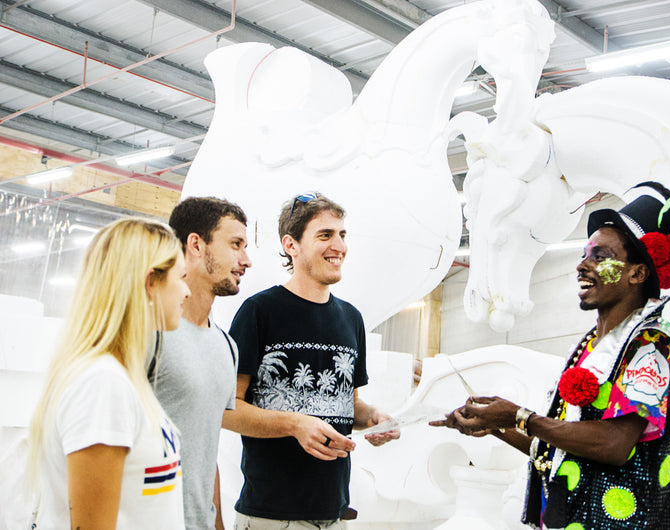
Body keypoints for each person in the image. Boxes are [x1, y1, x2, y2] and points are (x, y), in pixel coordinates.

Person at [432, 160, 670, 529]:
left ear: (638, 273)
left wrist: (519, 416)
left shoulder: (652, 347)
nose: (582, 266)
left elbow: (615, 444)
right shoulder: (589, 346)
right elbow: (561, 444)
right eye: (585, 255)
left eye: (600, 256)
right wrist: (494, 427)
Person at [223, 192, 399, 529]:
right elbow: (228, 408)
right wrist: (295, 424)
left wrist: (373, 417)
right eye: (325, 235)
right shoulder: (259, 312)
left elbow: (349, 404)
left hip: (334, 514)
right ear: (291, 245)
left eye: (342, 234)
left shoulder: (352, 319)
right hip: (270, 515)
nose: (339, 245)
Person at [25, 217, 191, 529]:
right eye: (181, 277)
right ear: (149, 283)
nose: (187, 292)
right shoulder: (102, 385)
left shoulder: (118, 378)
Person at [150, 197, 252, 530]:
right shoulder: (149, 333)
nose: (246, 260)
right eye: (235, 245)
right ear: (196, 244)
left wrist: (217, 524)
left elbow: (205, 451)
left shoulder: (227, 347)